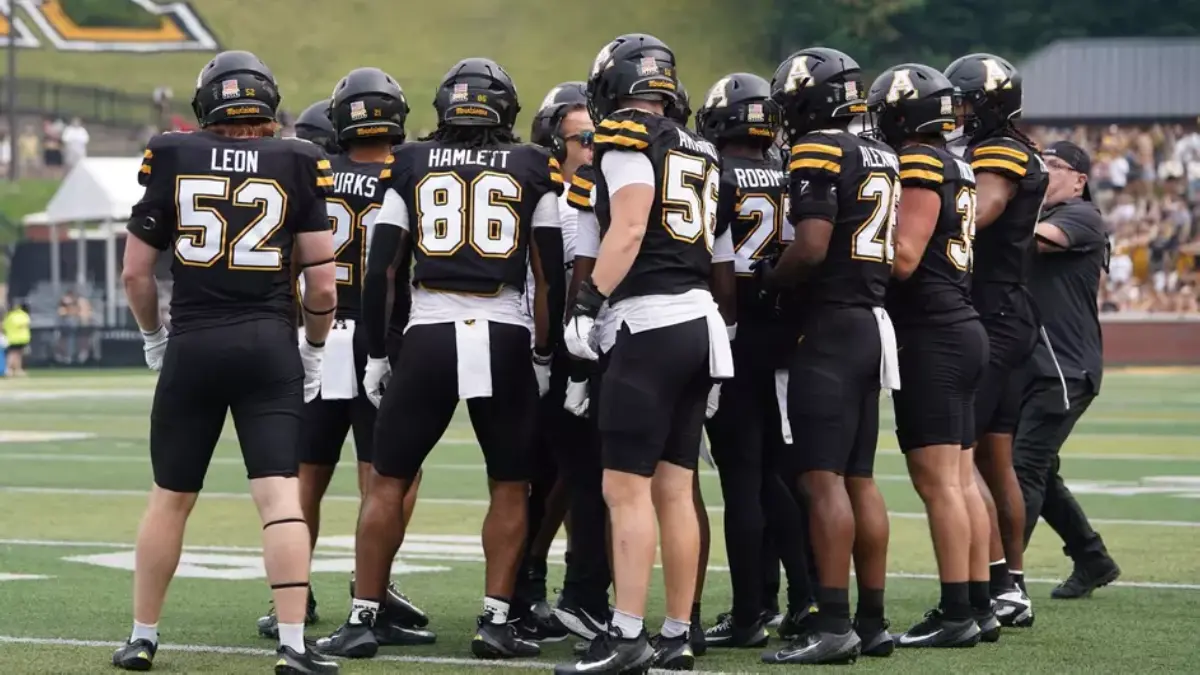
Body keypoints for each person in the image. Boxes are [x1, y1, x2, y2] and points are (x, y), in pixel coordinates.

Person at [318, 57, 564, 662]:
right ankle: (495, 619)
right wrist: (543, 350)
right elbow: (548, 273)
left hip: (429, 331)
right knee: (510, 484)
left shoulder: (409, 161)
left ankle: (363, 616)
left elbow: (382, 269)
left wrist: (378, 351)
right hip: (503, 328)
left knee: (387, 479)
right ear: (505, 108)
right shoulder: (534, 164)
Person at [113, 50, 339, 674]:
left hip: (194, 343)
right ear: (268, 104)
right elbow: (322, 286)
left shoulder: (175, 154)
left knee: (170, 496)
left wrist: (153, 335)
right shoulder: (299, 160)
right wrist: (314, 349)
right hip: (268, 345)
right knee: (280, 498)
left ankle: (142, 637)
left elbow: (135, 271)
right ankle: (293, 643)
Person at [556, 33, 735, 675]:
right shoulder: (703, 148)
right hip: (699, 321)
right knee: (675, 489)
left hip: (649, 322)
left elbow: (630, 226)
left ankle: (628, 634)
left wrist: (587, 302)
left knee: (624, 488)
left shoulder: (628, 135)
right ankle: (675, 634)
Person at [253, 73, 433, 647]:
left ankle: (293, 595)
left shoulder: (311, 176)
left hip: (317, 331)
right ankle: (371, 592)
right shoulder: (403, 175)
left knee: (306, 474)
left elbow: (287, 261)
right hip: (379, 334)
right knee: (388, 478)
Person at [760, 46, 900, 665]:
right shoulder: (883, 155)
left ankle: (835, 623)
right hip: (872, 320)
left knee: (821, 480)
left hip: (832, 324)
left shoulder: (820, 148)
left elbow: (812, 248)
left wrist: (770, 278)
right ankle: (872, 622)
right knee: (860, 477)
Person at [868, 63, 994, 648]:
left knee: (940, 481)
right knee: (960, 478)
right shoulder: (960, 163)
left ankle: (956, 613)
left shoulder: (921, 162)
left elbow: (905, 258)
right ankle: (976, 604)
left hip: (933, 329)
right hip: (958, 323)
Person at [692, 71, 812, 652]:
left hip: (733, 322)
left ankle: (749, 612)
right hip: (783, 327)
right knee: (771, 472)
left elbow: (714, 255)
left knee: (742, 478)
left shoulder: (715, 170)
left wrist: (726, 323)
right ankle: (797, 595)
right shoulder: (790, 168)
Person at [945, 53, 1047, 627]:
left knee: (964, 456)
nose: (954, 113)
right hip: (1006, 308)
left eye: (962, 103)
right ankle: (1013, 585)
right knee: (993, 455)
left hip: (992, 311)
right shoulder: (1008, 146)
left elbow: (981, 211)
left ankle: (990, 585)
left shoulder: (1001, 151)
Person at [1016, 140, 1122, 599]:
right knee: (1040, 468)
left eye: (1053, 167)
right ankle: (1092, 557)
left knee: (1023, 469)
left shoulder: (1080, 216)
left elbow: (1037, 242)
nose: (1043, 173)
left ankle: (1001, 582)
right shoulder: (1042, 214)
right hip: (1039, 364)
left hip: (1064, 367)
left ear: (1079, 179)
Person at [3, 301, 31, 377]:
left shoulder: (9, 316)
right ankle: (14, 370)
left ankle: (12, 370)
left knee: (12, 354)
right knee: (17, 354)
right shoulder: (24, 315)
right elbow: (27, 324)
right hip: (22, 338)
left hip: (12, 338)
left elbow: (4, 326)